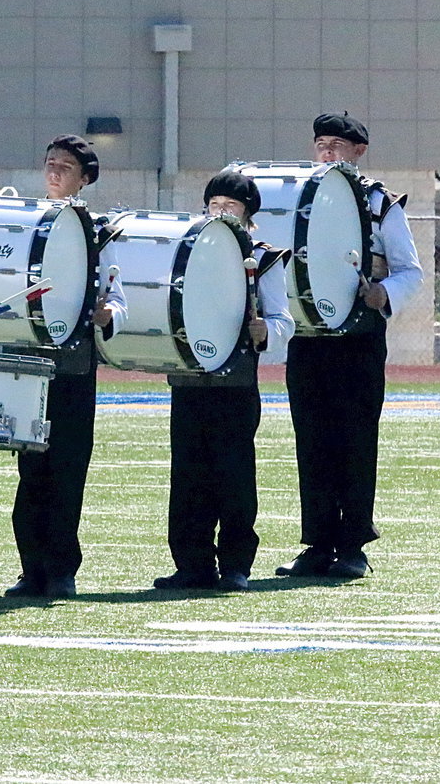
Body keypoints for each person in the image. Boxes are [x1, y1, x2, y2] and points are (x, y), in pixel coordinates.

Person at [276, 113, 423, 579]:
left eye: (337, 145)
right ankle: (318, 544)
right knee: (311, 441)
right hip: (308, 337)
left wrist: (383, 294)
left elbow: (410, 271)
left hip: (359, 339)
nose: (327, 152)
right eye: (321, 143)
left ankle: (354, 545)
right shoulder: (299, 199)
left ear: (359, 152)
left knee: (356, 440)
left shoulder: (380, 202)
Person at [152, 171, 294, 592]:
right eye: (214, 205)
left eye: (230, 206)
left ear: (248, 214)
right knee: (187, 475)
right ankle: (191, 563)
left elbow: (282, 319)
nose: (220, 212)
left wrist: (265, 331)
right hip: (190, 380)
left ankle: (235, 564)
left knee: (234, 476)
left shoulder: (263, 258)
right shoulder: (188, 252)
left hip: (236, 383)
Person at [4, 135, 127, 599]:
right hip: (30, 364)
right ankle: (30, 569)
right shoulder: (27, 222)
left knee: (67, 469)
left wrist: (110, 313)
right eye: (50, 163)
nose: (55, 172)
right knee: (30, 470)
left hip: (74, 366)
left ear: (85, 179)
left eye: (66, 167)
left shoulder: (98, 232)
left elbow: (116, 295)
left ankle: (61, 570)